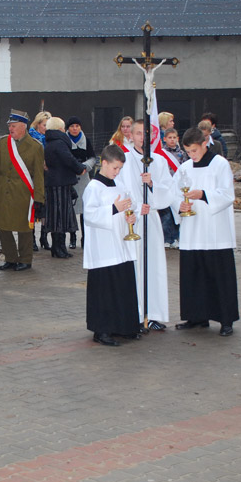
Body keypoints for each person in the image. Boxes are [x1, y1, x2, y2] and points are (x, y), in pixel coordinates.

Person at [171, 127, 239, 336]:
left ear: (204, 143)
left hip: (215, 231)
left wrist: (203, 194)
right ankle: (196, 316)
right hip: (192, 231)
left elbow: (227, 194)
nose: (192, 155)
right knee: (194, 275)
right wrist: (179, 206)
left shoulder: (220, 164)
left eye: (194, 150)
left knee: (219, 275)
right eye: (188, 152)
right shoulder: (185, 167)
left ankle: (225, 319)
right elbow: (175, 194)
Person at [115, 119, 174, 332]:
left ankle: (154, 314)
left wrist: (151, 184)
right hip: (134, 220)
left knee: (154, 266)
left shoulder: (158, 161)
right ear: (131, 135)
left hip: (152, 220)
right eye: (138, 133)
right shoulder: (125, 159)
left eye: (145, 134)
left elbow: (168, 191)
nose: (142, 137)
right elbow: (119, 188)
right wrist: (137, 207)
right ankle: (137, 315)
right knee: (136, 267)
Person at [83, 144, 142, 347]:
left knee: (122, 286)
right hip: (103, 248)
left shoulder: (119, 185)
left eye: (120, 169)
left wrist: (130, 214)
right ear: (104, 163)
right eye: (115, 168)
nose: (117, 172)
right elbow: (90, 215)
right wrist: (113, 209)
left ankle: (124, 326)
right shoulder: (93, 187)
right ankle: (102, 330)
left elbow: (130, 204)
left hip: (121, 245)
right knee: (105, 290)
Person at [0, 109, 45, 271]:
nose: (10, 129)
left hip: (23, 193)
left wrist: (39, 199)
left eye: (13, 126)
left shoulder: (35, 147)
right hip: (2, 192)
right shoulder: (4, 143)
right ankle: (11, 258)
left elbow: (39, 176)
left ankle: (25, 259)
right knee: (2, 226)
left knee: (23, 228)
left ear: (23, 127)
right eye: (9, 126)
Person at [44, 116, 86, 258]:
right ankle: (59, 248)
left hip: (53, 182)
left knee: (56, 216)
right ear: (60, 128)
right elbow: (68, 159)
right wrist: (80, 168)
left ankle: (57, 247)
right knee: (61, 216)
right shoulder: (59, 143)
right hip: (60, 183)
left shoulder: (50, 141)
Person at [66, 116, 97, 249]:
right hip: (70, 177)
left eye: (77, 126)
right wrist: (74, 167)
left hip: (84, 177)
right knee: (71, 209)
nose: (75, 128)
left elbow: (92, 157)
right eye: (72, 126)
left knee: (85, 208)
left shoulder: (86, 140)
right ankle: (73, 237)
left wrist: (85, 167)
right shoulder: (65, 140)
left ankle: (85, 238)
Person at [28, 111, 51, 251]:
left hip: (46, 177)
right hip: (33, 177)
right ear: (37, 125)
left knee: (45, 209)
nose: (46, 128)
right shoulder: (30, 138)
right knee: (33, 208)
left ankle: (44, 237)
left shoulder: (50, 138)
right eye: (44, 125)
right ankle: (32, 239)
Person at [161, 127, 185, 248]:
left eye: (174, 137)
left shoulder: (182, 153)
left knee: (177, 213)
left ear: (177, 139)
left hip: (177, 187)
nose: (172, 140)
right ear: (164, 139)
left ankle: (176, 237)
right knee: (166, 215)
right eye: (169, 138)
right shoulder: (161, 153)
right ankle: (167, 238)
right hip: (166, 186)